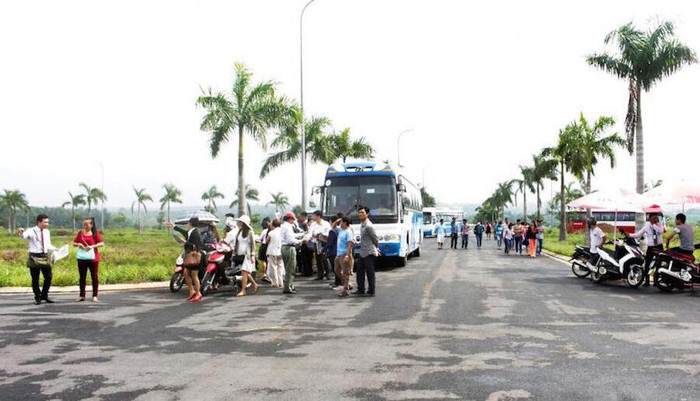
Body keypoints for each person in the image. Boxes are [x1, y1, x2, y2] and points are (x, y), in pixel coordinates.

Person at [18, 214, 58, 305]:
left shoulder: (47, 231)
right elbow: (23, 236)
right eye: (45, 222)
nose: (47, 224)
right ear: (39, 222)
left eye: (48, 222)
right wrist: (21, 232)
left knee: (48, 277)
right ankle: (37, 297)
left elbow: (47, 244)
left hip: (44, 256)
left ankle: (44, 295)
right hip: (34, 257)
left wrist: (55, 249)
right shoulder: (31, 230)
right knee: (35, 278)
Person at [167, 217, 204, 303]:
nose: (187, 224)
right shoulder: (191, 232)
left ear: (190, 224)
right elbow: (184, 232)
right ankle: (192, 291)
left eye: (188, 223)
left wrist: (184, 242)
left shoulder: (196, 233)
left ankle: (198, 293)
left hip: (195, 256)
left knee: (194, 275)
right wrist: (174, 226)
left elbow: (196, 246)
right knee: (186, 273)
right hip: (188, 256)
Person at [72, 217, 104, 302]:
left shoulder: (95, 233)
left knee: (94, 277)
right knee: (82, 277)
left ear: (91, 225)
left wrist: (92, 246)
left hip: (93, 259)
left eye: (87, 224)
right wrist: (79, 244)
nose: (85, 226)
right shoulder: (80, 233)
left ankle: (94, 295)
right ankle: (82, 295)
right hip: (82, 258)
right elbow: (74, 243)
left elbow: (101, 243)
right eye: (84, 224)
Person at [629, 214, 665, 287]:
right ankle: (647, 281)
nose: (656, 219)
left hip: (659, 246)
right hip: (651, 247)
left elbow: (660, 231)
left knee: (658, 264)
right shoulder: (646, 226)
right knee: (647, 263)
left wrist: (654, 225)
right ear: (650, 219)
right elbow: (638, 234)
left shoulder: (659, 225)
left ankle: (656, 281)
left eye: (657, 218)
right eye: (654, 218)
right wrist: (629, 235)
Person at [233, 215, 259, 297]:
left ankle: (243, 290)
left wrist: (252, 255)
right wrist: (234, 253)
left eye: (241, 222)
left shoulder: (250, 232)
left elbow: (253, 245)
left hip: (247, 255)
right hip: (240, 254)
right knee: (245, 272)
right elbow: (237, 243)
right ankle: (255, 284)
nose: (240, 223)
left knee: (244, 271)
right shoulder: (240, 231)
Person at [356, 206, 380, 296]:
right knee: (359, 271)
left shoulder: (369, 226)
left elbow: (375, 239)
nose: (360, 214)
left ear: (367, 214)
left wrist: (377, 248)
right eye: (359, 213)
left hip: (369, 252)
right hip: (362, 251)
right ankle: (361, 289)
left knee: (370, 272)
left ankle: (371, 290)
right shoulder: (362, 224)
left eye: (362, 212)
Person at [281, 212, 306, 294]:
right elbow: (290, 240)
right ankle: (288, 287)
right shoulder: (288, 227)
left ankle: (290, 286)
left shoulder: (284, 226)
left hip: (284, 247)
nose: (293, 221)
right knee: (290, 268)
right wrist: (301, 241)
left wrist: (302, 234)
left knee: (288, 267)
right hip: (289, 247)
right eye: (292, 219)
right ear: (289, 219)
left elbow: (292, 236)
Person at [332, 216, 355, 297]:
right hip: (338, 254)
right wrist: (338, 220)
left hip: (344, 254)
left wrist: (347, 255)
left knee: (345, 273)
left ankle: (345, 290)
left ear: (345, 223)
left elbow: (350, 245)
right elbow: (333, 227)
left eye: (341, 222)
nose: (340, 223)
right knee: (336, 270)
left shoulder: (348, 232)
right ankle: (347, 283)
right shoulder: (340, 230)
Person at [309, 210, 332, 280]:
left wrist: (323, 234)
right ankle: (320, 274)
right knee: (318, 259)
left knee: (324, 258)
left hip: (324, 243)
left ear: (318, 216)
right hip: (316, 242)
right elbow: (310, 232)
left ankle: (327, 273)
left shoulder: (326, 224)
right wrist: (313, 235)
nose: (314, 217)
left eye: (314, 216)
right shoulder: (313, 224)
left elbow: (329, 233)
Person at [324, 213, 342, 289]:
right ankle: (337, 281)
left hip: (332, 252)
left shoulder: (332, 231)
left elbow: (330, 243)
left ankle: (338, 282)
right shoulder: (340, 230)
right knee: (338, 268)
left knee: (335, 268)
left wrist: (323, 249)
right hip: (338, 251)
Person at [265, 219, 284, 288]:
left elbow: (267, 241)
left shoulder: (271, 233)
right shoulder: (282, 232)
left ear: (273, 225)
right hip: (281, 250)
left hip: (272, 251)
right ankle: (280, 282)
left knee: (273, 267)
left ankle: (275, 282)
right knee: (280, 267)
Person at [297, 212, 313, 276]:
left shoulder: (305, 225)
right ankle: (307, 271)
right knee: (306, 259)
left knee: (307, 259)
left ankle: (308, 271)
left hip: (307, 244)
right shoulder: (304, 225)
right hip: (305, 244)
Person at [257, 218, 271, 282]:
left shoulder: (264, 231)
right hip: (269, 246)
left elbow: (259, 239)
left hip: (264, 246)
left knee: (263, 260)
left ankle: (264, 273)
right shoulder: (271, 231)